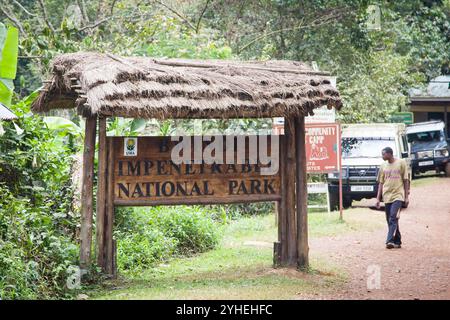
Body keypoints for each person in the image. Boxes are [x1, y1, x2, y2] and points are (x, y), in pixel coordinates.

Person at [375, 147, 410, 249]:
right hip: (387, 196)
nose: (382, 156)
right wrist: (378, 198)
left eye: (383, 154)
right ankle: (398, 241)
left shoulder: (401, 163)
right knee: (390, 219)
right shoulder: (383, 166)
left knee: (393, 217)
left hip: (398, 195)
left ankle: (389, 241)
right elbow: (381, 183)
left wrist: (406, 197)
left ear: (390, 154)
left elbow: (406, 179)